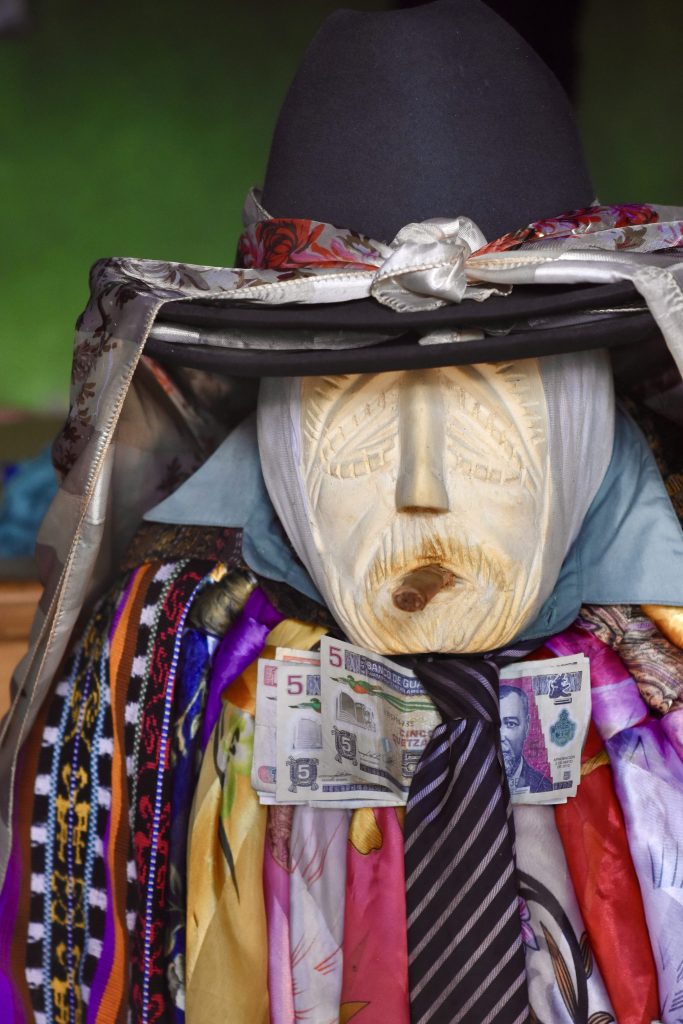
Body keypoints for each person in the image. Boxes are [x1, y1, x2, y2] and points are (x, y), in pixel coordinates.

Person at [499, 683, 552, 794]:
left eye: (511, 724)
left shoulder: (545, 787)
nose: (501, 735)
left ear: (526, 727)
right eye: (495, 725)